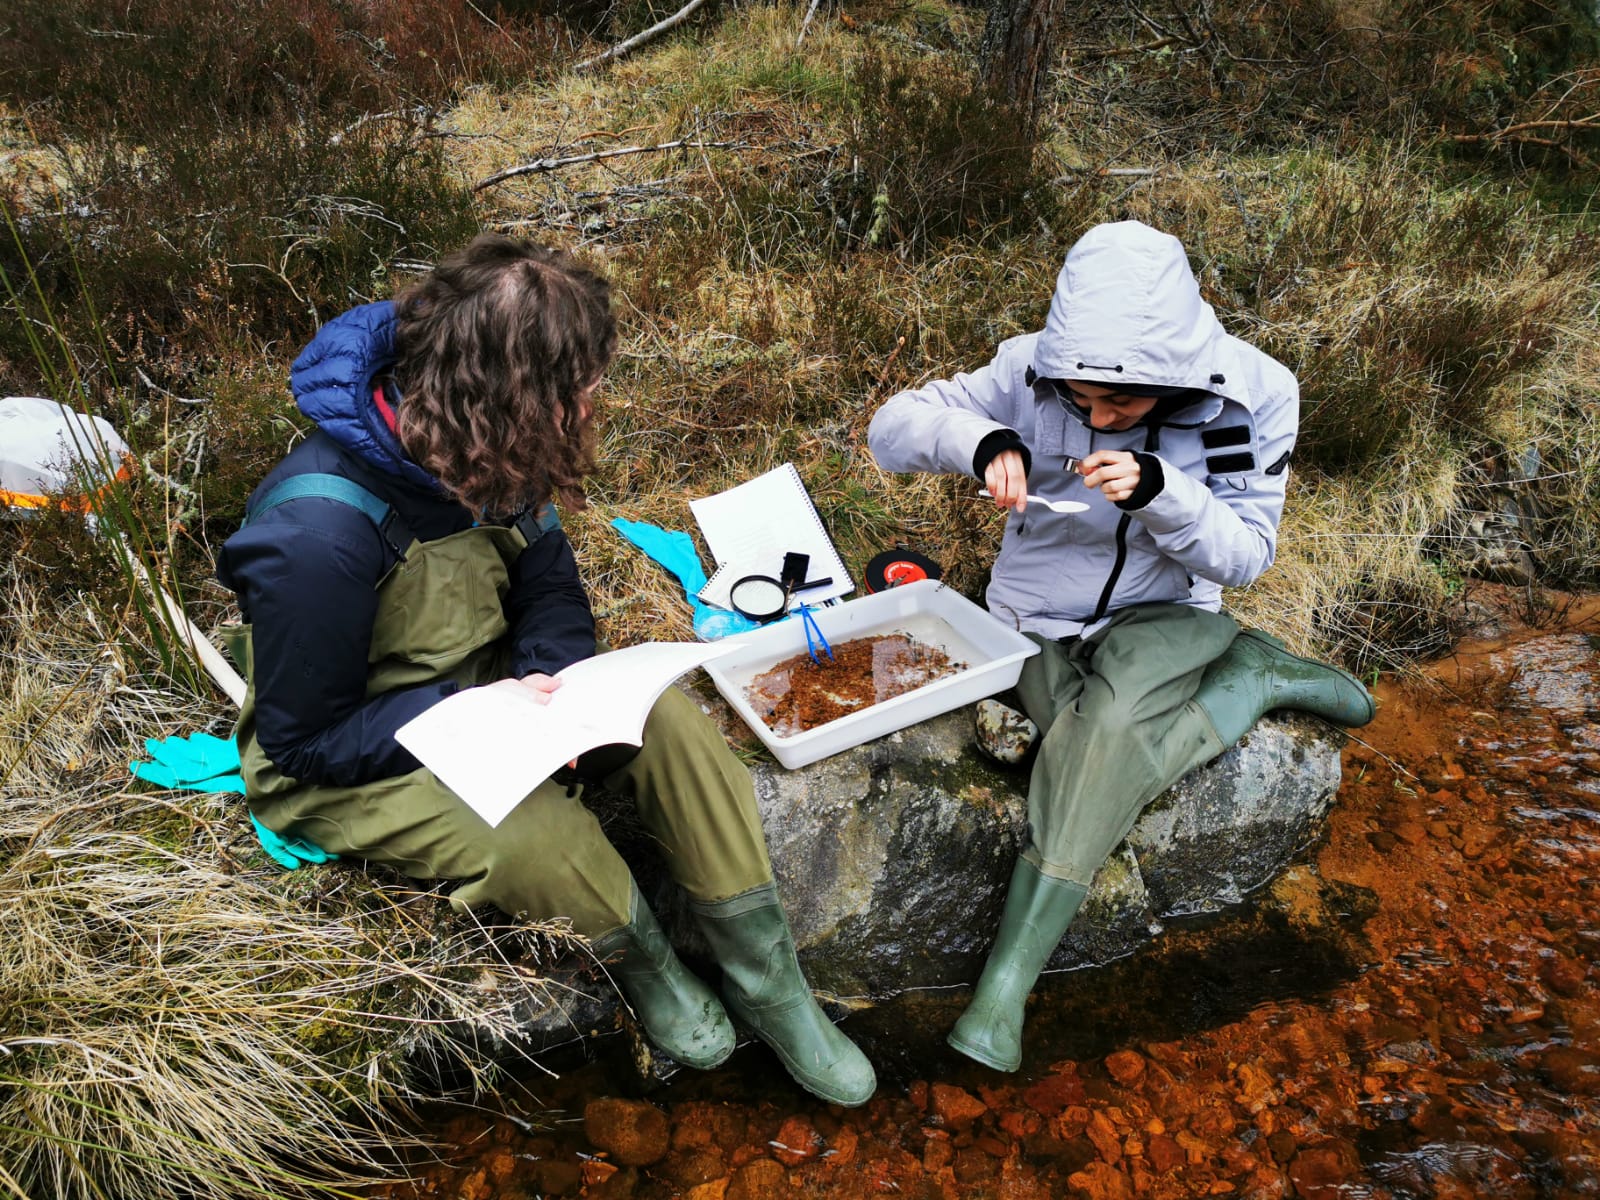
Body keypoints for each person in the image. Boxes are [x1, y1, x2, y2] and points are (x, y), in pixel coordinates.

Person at [218, 233, 875, 1106]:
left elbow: (549, 588)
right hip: (358, 747)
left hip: (494, 684)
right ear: (506, 402)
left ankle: (771, 982)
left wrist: (551, 683)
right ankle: (650, 973)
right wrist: (475, 712)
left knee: (671, 727)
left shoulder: (486, 449)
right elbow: (306, 743)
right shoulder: (318, 534)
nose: (596, 402)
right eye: (582, 392)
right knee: (534, 837)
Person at [867, 220, 1374, 1072]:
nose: (1097, 419)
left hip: (1166, 612)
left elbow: (1246, 555)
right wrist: (981, 440)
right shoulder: (1026, 365)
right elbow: (892, 428)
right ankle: (1246, 683)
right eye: (1079, 399)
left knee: (1103, 731)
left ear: (1172, 383)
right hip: (1030, 617)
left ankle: (1007, 985)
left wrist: (1165, 496)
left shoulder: (1256, 395)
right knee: (1081, 733)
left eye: (1123, 408)